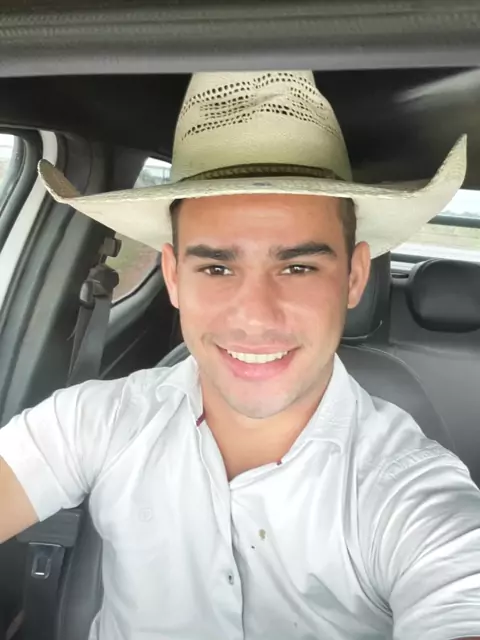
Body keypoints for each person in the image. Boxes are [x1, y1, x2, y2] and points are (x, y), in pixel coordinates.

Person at [0, 71, 478, 639]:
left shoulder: (407, 490)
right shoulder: (96, 421)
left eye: (297, 267)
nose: (254, 316)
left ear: (354, 277)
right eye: (216, 268)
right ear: (173, 277)